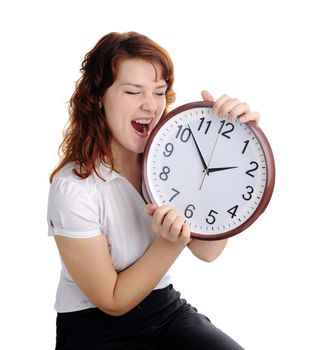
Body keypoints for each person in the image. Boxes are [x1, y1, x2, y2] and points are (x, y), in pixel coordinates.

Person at [47, 31, 260, 350]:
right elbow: (112, 300)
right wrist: (169, 243)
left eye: (159, 92)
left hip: (164, 310)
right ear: (98, 98)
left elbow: (208, 251)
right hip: (94, 327)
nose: (150, 105)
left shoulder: (171, 159)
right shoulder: (74, 187)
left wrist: (228, 141)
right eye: (133, 91)